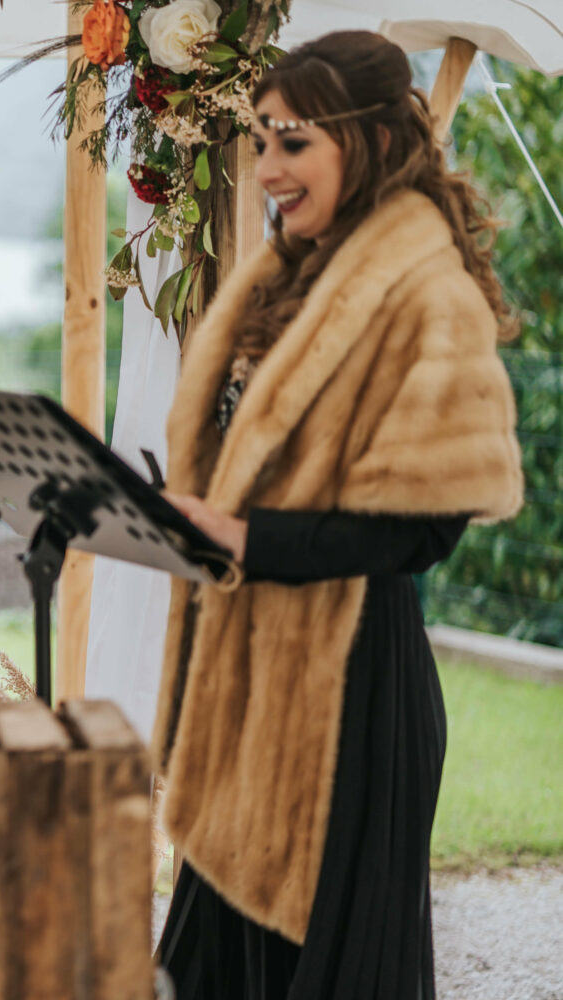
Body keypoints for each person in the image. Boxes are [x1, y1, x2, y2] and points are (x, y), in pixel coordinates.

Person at [150, 31, 525, 999]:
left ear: (363, 140)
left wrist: (244, 537)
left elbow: (426, 527)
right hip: (251, 679)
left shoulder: (427, 291)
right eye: (261, 141)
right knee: (212, 968)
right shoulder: (294, 274)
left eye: (292, 142)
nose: (266, 167)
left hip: (350, 695)